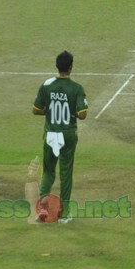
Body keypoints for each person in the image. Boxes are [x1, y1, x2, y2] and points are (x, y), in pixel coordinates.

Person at [32, 51, 88, 223]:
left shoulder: (47, 85)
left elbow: (36, 109)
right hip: (68, 135)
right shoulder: (76, 88)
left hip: (51, 134)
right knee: (65, 172)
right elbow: (83, 114)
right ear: (70, 67)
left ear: (57, 66)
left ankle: (42, 208)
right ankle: (64, 213)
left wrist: (49, 112)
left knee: (48, 171)